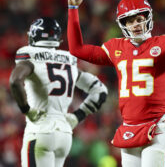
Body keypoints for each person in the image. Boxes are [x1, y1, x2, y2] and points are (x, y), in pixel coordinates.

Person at [67, 0, 165, 167]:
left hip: (158, 125)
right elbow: (76, 49)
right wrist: (73, 8)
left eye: (139, 19)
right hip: (130, 128)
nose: (135, 25)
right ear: (122, 24)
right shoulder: (116, 47)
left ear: (148, 18)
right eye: (129, 21)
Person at [9, 17, 108, 167]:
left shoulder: (30, 55)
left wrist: (26, 110)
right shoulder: (68, 60)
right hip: (64, 134)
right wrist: (77, 116)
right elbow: (100, 90)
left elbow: (15, 81)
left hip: (41, 130)